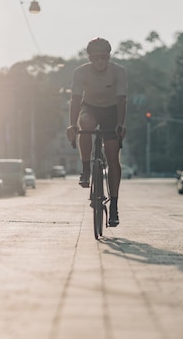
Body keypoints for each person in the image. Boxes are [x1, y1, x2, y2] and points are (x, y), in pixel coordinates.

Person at [66, 37, 127, 227]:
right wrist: (72, 126)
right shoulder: (80, 73)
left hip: (111, 110)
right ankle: (86, 168)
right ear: (90, 58)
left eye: (103, 58)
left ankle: (114, 206)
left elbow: (122, 100)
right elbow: (75, 100)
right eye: (96, 58)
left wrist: (120, 124)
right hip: (90, 107)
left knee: (112, 156)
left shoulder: (118, 72)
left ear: (108, 57)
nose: (100, 62)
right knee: (86, 123)